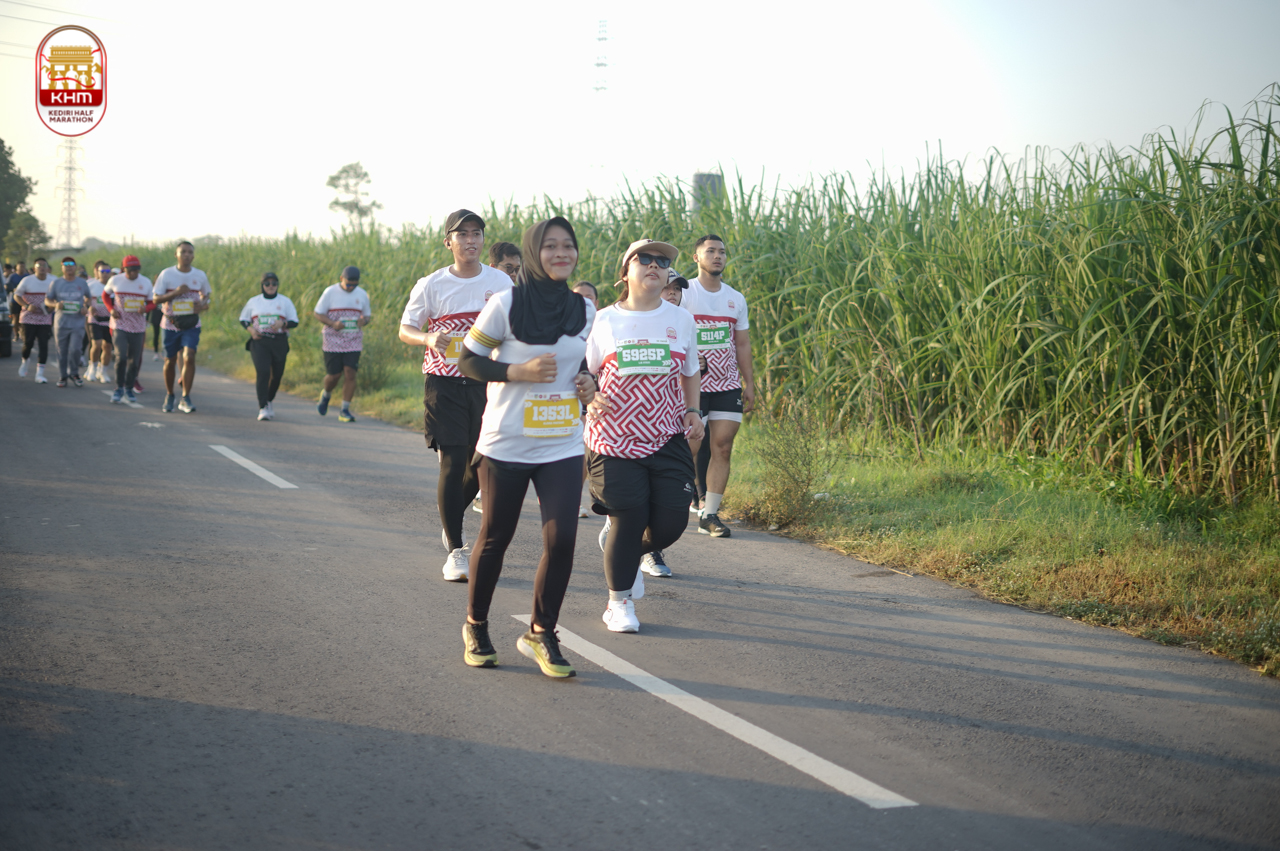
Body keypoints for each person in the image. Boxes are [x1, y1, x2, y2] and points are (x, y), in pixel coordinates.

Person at [456, 215, 595, 677]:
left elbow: (582, 365)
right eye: (550, 246)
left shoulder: (584, 310)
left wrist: (587, 382)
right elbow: (468, 361)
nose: (561, 253)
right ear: (535, 253)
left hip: (561, 442)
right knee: (496, 536)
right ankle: (476, 625)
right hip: (507, 443)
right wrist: (517, 372)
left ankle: (541, 631)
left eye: (568, 245)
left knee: (563, 539)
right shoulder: (505, 304)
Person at [584, 239, 703, 633]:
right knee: (629, 517)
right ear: (626, 272)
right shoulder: (604, 320)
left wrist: (693, 410)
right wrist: (588, 394)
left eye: (662, 261)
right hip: (614, 438)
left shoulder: (681, 319)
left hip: (667, 434)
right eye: (645, 259)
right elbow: (583, 371)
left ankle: (623, 549)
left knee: (671, 523)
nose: (655, 265)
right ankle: (619, 603)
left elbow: (690, 371)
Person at [399, 210, 514, 579]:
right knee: (451, 462)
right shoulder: (432, 284)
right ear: (448, 241)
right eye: (462, 234)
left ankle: (451, 518)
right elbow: (406, 328)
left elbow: (514, 327)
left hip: (486, 383)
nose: (470, 240)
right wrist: (428, 337)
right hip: (444, 383)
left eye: (476, 233)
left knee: (481, 463)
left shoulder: (500, 282)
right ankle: (455, 548)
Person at [681, 234, 753, 538]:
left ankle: (709, 515)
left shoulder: (735, 298)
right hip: (692, 386)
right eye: (710, 251)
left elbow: (742, 343)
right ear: (697, 257)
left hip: (727, 384)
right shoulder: (685, 293)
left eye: (722, 251)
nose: (718, 256)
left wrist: (749, 383)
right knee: (689, 447)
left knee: (722, 447)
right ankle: (678, 500)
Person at [152, 241, 212, 414]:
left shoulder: (199, 275)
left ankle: (186, 397)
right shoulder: (167, 274)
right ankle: (170, 394)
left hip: (191, 324)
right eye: (183, 252)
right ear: (176, 255)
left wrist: (202, 304)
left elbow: (206, 295)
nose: (187, 255)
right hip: (170, 324)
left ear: (193, 255)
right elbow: (155, 299)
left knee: (189, 356)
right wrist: (176, 293)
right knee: (170, 360)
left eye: (190, 252)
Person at [314, 265, 372, 423]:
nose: (351, 287)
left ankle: (345, 409)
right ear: (341, 279)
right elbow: (318, 313)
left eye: (355, 284)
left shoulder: (362, 294)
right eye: (348, 284)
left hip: (353, 340)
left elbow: (367, 316)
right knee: (334, 375)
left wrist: (363, 321)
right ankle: (326, 394)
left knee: (350, 373)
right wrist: (333, 323)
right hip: (332, 339)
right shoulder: (330, 292)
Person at [239, 272, 299, 420]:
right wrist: (251, 330)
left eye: (274, 284)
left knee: (277, 375)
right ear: (262, 285)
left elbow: (294, 321)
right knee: (263, 371)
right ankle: (263, 406)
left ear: (277, 285)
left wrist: (283, 323)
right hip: (260, 341)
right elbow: (244, 319)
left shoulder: (285, 302)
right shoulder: (254, 302)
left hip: (279, 341)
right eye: (267, 284)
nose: (270, 286)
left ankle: (269, 399)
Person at [104, 256, 153, 404]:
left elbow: (152, 302)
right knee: (121, 357)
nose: (133, 273)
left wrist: (146, 308)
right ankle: (119, 388)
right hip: (120, 324)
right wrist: (111, 309)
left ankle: (129, 389)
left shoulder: (145, 282)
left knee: (134, 360)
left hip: (138, 327)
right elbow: (105, 295)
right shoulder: (115, 280)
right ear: (124, 269)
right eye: (130, 270)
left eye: (136, 270)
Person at [45, 257, 91, 387]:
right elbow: (47, 300)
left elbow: (89, 298)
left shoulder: (82, 283)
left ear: (75, 267)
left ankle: (74, 373)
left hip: (78, 323)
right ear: (62, 268)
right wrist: (55, 304)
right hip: (61, 323)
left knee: (76, 349)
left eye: (71, 264)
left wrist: (85, 307)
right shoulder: (56, 283)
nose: (69, 267)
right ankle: (63, 375)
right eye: (66, 264)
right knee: (61, 351)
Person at [14, 258, 55, 383]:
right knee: (28, 343)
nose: (42, 267)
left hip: (45, 317)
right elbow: (17, 295)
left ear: (47, 268)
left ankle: (40, 374)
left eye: (44, 265)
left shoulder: (53, 280)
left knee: (43, 344)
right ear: (34, 268)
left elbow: (58, 296)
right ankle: (25, 361)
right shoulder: (27, 280)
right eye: (39, 265)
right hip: (28, 318)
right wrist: (26, 306)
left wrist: (52, 306)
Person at [86, 261, 115, 383]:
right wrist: (89, 307)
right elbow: (85, 299)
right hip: (95, 319)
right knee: (96, 345)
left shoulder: (114, 286)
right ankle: (92, 368)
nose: (105, 274)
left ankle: (103, 371)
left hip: (110, 321)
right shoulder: (91, 285)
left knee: (107, 347)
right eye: (102, 271)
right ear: (97, 272)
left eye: (107, 271)